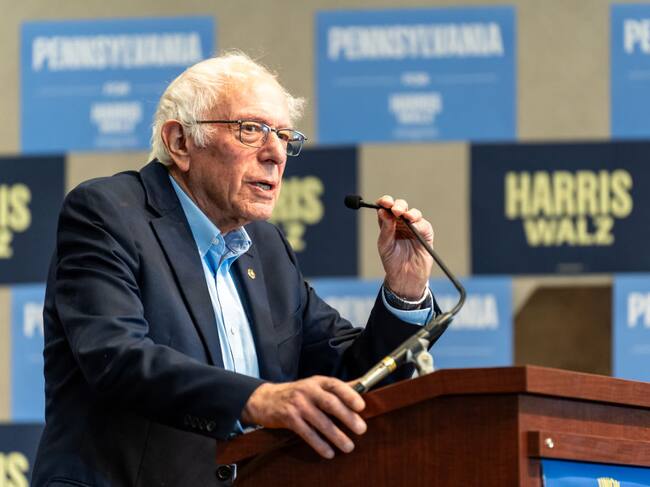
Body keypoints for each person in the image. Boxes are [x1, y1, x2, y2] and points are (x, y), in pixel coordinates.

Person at [32, 52, 437, 486]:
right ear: (180, 142)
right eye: (251, 129)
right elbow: (118, 358)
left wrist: (405, 291)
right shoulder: (108, 214)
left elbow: (351, 378)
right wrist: (257, 398)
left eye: (284, 136)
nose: (276, 153)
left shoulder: (266, 247)